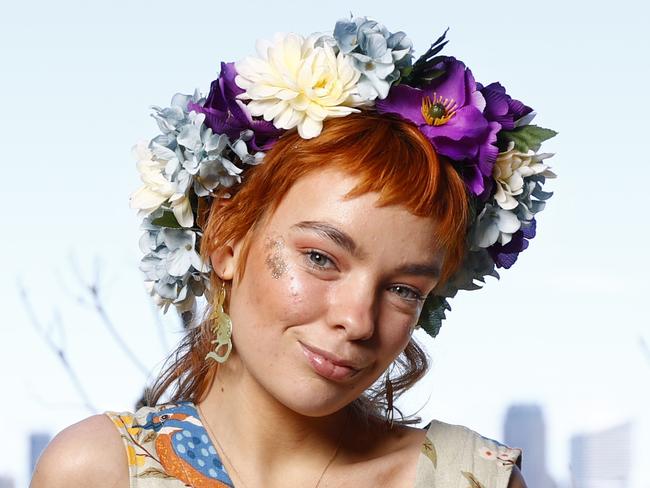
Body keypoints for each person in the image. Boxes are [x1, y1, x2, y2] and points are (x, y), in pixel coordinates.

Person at [32, 15, 557, 488]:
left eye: (402, 289)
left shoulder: (467, 477)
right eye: (322, 258)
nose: (358, 321)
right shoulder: (99, 472)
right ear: (227, 240)